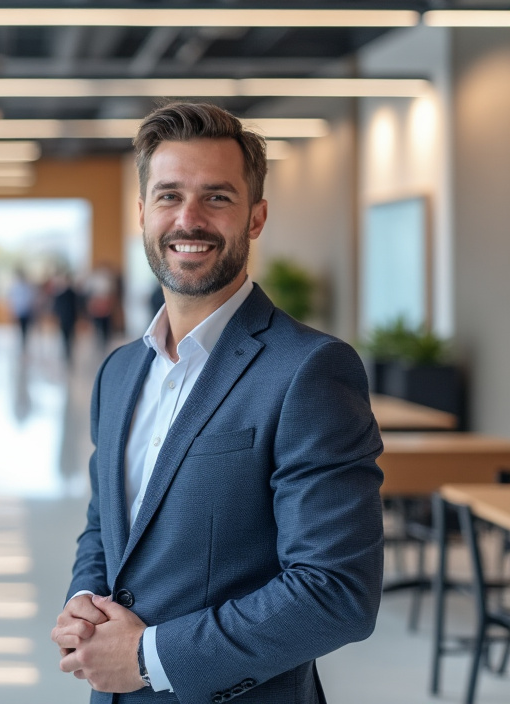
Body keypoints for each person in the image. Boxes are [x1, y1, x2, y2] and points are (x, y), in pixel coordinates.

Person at [50, 102, 384, 703]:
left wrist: (150, 658)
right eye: (169, 195)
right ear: (143, 213)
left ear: (256, 218)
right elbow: (107, 526)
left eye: (217, 198)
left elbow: (337, 591)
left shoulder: (308, 370)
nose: (189, 218)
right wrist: (83, 601)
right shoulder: (119, 371)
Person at [51, 272, 80, 362]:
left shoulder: (72, 293)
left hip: (70, 317)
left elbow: (77, 305)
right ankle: (66, 350)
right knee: (64, 334)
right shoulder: (59, 293)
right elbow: (56, 307)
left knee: (70, 334)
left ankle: (69, 350)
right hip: (64, 317)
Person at [7, 269, 35, 347]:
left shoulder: (27, 286)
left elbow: (30, 298)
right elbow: (11, 298)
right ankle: (18, 343)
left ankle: (24, 343)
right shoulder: (15, 286)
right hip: (18, 310)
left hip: (25, 311)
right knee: (17, 329)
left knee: (25, 328)